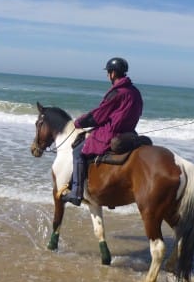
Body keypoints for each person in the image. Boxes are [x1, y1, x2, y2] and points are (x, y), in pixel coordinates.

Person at [61, 57, 143, 206]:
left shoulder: (117, 92)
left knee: (78, 151)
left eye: (108, 73)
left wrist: (79, 122)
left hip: (111, 133)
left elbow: (98, 115)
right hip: (129, 132)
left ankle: (76, 193)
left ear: (113, 73)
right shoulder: (135, 92)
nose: (107, 76)